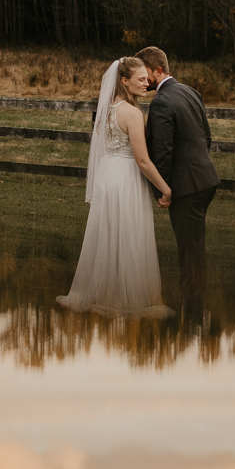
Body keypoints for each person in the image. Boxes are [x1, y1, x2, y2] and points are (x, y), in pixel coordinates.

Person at [56, 57, 174, 318]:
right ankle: (126, 298)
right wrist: (165, 189)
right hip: (126, 177)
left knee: (109, 234)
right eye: (141, 79)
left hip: (108, 175)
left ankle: (102, 291)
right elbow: (142, 160)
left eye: (147, 79)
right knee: (129, 234)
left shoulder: (108, 109)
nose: (147, 83)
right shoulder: (132, 113)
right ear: (124, 81)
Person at [135, 46, 220, 294]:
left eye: (145, 73)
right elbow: (207, 137)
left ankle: (193, 308)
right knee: (194, 245)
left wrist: (162, 189)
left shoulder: (161, 102)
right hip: (205, 180)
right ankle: (195, 302)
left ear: (158, 71)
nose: (143, 79)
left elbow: (162, 151)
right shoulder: (190, 92)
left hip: (187, 187)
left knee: (190, 249)